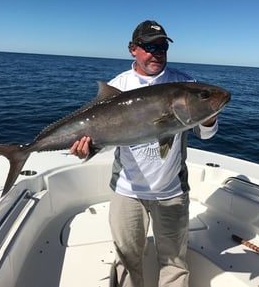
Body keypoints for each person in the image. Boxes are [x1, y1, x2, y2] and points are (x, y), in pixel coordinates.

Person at [70, 20, 218, 287]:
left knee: (174, 263)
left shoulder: (185, 84)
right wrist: (85, 149)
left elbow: (205, 135)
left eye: (161, 45)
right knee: (127, 261)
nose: (156, 52)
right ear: (133, 49)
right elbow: (99, 138)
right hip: (128, 191)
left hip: (171, 191)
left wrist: (208, 117)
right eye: (148, 46)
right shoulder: (118, 85)